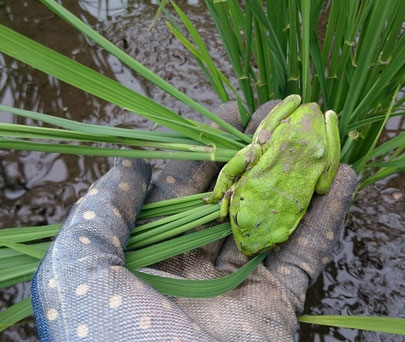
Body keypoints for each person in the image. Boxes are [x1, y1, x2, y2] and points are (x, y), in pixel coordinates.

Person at [31, 101, 357, 341]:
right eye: (240, 222)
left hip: (301, 154)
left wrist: (222, 195)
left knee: (319, 181)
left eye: (277, 240)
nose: (245, 244)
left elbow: (240, 161)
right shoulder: (251, 192)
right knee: (326, 183)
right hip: (301, 144)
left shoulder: (245, 195)